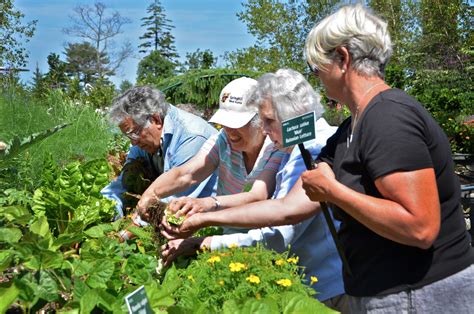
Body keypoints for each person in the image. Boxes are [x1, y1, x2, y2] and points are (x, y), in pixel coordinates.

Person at [161, 69, 347, 312]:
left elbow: (280, 232)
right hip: (317, 283)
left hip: (329, 288)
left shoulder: (313, 149)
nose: (265, 130)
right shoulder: (293, 147)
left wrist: (203, 241)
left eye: (268, 121)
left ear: (291, 115)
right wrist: (206, 215)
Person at [137, 77, 284, 227]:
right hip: (227, 231)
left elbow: (258, 196)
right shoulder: (223, 140)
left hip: (262, 236)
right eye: (225, 123)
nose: (230, 131)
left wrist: (208, 203)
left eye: (237, 124)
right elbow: (186, 174)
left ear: (261, 120)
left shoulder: (276, 146)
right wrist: (151, 193)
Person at [101, 86, 218, 220]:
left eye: (134, 134)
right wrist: (105, 210)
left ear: (156, 119)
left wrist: (124, 233)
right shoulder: (144, 138)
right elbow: (123, 183)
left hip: (211, 220)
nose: (133, 143)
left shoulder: (191, 137)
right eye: (129, 137)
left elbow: (173, 204)